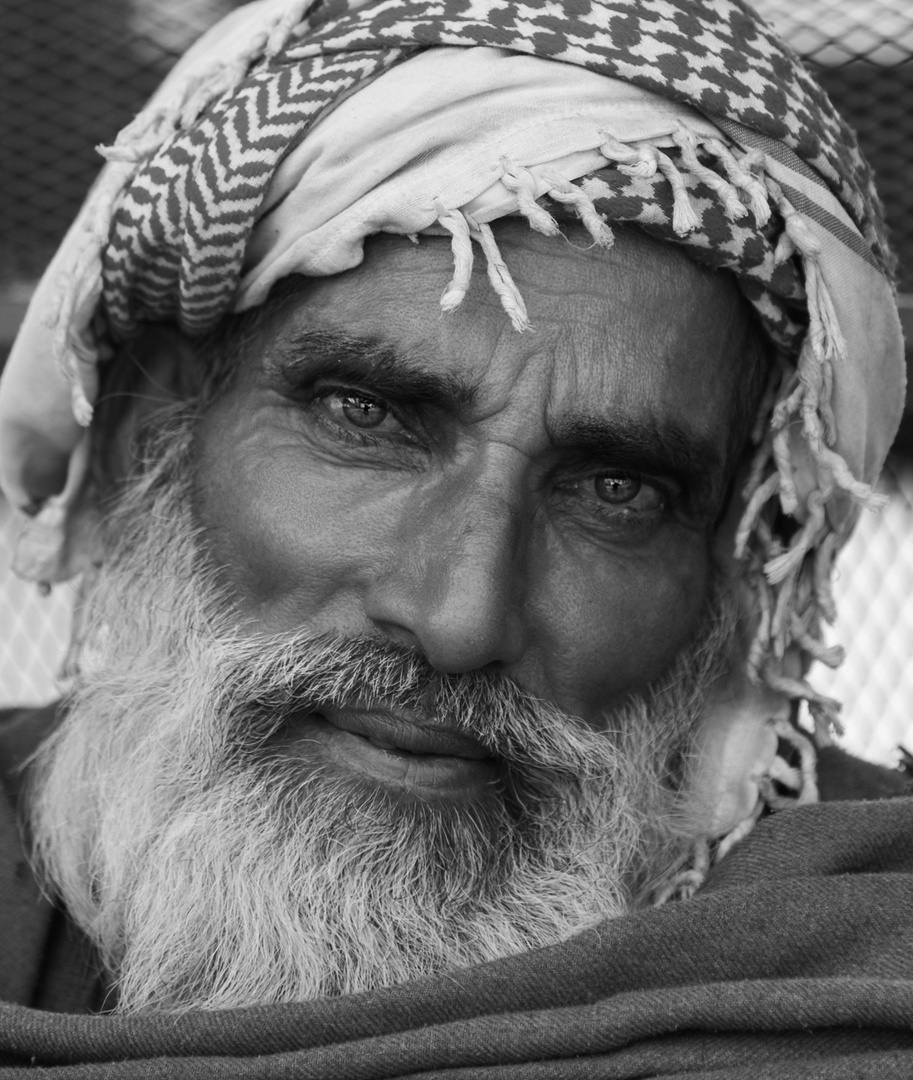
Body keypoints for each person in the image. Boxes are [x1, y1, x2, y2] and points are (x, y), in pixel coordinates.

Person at [0, 0, 911, 1073]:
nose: (460, 616)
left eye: (616, 489)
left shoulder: (856, 966)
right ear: (147, 439)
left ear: (738, 575)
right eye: (368, 418)